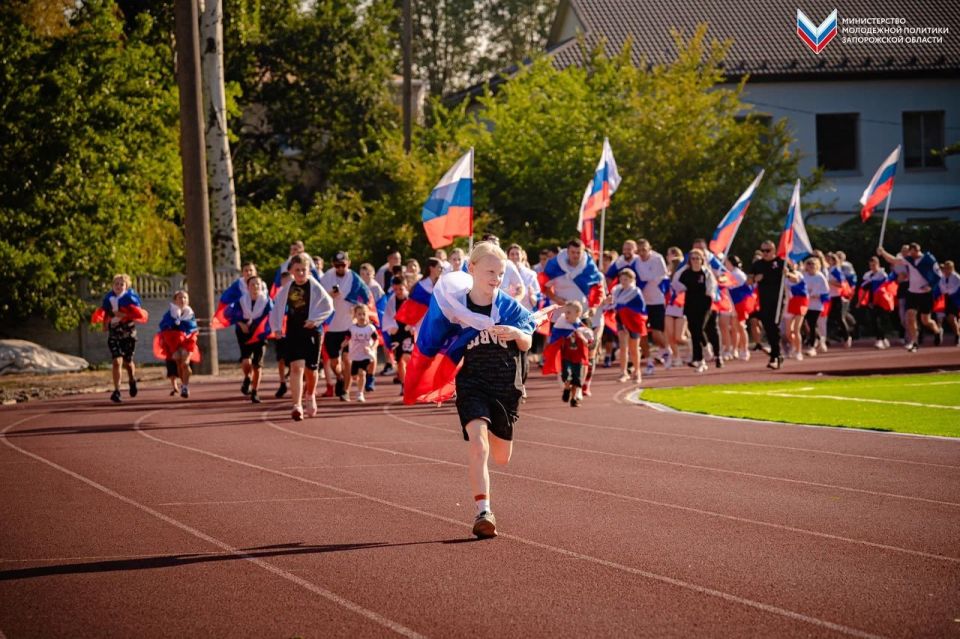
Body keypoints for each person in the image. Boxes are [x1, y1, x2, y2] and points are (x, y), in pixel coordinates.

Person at [403, 242, 537, 539]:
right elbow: (435, 336)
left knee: (501, 457)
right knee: (478, 445)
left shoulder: (507, 305)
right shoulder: (455, 305)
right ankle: (483, 511)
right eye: (490, 271)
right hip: (472, 383)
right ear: (471, 269)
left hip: (504, 386)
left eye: (500, 273)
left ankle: (492, 432)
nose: (496, 278)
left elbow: (528, 339)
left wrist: (516, 333)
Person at [269, 253, 334, 420]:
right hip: (294, 330)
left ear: (308, 270)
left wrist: (315, 320)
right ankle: (296, 405)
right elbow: (276, 308)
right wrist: (276, 327)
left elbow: (329, 306)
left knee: (311, 370)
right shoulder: (287, 288)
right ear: (291, 271)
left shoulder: (314, 286)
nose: (300, 274)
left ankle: (310, 394)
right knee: (296, 367)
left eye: (303, 270)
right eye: (297, 270)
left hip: (312, 331)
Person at [320, 251, 372, 399]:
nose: (340, 268)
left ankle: (345, 391)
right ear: (333, 265)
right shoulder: (326, 278)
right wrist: (330, 295)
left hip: (349, 327)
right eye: (337, 266)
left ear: (348, 263)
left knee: (347, 360)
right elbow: (318, 298)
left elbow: (367, 297)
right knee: (334, 363)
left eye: (343, 265)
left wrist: (357, 307)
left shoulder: (354, 279)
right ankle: (340, 377)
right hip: (331, 327)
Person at [92, 274, 149, 404]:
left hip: (128, 332)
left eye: (121, 284)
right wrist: (105, 324)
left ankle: (132, 380)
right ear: (112, 285)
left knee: (128, 362)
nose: (118, 286)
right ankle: (117, 391)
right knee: (117, 361)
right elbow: (106, 312)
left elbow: (137, 314)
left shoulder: (130, 298)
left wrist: (123, 314)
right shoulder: (108, 298)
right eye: (116, 284)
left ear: (126, 286)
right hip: (114, 332)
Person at [878, 243, 943, 351]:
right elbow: (894, 260)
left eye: (911, 252)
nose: (909, 254)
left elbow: (938, 275)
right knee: (909, 317)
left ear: (916, 250)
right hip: (912, 293)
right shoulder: (909, 260)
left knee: (925, 320)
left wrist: (930, 286)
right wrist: (883, 252)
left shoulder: (928, 259)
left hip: (925, 294)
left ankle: (937, 331)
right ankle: (914, 342)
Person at [673, 249, 718, 372]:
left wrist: (711, 294)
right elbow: (676, 283)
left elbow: (712, 287)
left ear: (702, 259)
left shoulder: (706, 273)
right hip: (690, 304)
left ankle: (705, 347)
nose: (695, 261)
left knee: (700, 328)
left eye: (698, 258)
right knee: (693, 331)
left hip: (704, 304)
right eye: (693, 258)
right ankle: (700, 360)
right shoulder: (686, 273)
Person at [236, 276, 273, 403]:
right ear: (248, 287)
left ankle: (255, 391)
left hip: (260, 334)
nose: (255, 287)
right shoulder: (241, 300)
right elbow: (234, 315)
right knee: (246, 361)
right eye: (252, 284)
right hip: (244, 332)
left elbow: (273, 315)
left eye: (257, 284)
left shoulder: (266, 301)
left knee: (257, 365)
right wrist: (242, 324)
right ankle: (247, 377)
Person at [156, 290, 199, 398]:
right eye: (180, 297)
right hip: (173, 342)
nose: (182, 300)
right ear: (175, 300)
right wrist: (173, 325)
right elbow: (163, 327)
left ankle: (185, 387)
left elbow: (193, 327)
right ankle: (182, 383)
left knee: (185, 363)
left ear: (188, 301)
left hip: (188, 341)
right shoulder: (170, 313)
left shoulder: (190, 313)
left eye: (185, 298)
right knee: (179, 364)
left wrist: (183, 328)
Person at [750, 240, 785, 369]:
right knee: (768, 327)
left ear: (774, 250)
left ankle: (775, 356)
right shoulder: (757, 264)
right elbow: (748, 280)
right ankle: (777, 354)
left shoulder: (781, 263)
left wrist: (789, 274)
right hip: (763, 300)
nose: (765, 253)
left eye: (768, 250)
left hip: (778, 299)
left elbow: (796, 278)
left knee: (774, 326)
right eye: (763, 250)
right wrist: (754, 279)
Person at [607, 268, 645, 384]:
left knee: (634, 349)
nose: (623, 282)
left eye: (626, 279)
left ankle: (637, 371)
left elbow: (642, 309)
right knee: (623, 347)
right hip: (621, 321)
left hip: (633, 322)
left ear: (632, 280)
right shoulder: (616, 291)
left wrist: (627, 310)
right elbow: (612, 305)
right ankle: (623, 372)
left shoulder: (635, 292)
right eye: (622, 279)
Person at [557, 301, 593, 407]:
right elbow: (556, 337)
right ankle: (566, 389)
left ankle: (573, 398)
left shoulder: (582, 328)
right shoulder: (562, 326)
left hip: (578, 358)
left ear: (577, 313)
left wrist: (584, 338)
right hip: (567, 356)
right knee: (567, 376)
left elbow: (590, 340)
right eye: (565, 312)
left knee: (577, 379)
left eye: (568, 312)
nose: (565, 315)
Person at [381, 276, 414, 391]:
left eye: (401, 289)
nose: (398, 292)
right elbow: (387, 317)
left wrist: (413, 325)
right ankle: (404, 386)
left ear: (405, 287)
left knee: (407, 357)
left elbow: (421, 314)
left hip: (409, 333)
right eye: (395, 289)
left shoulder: (411, 299)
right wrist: (391, 327)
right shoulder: (392, 301)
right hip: (396, 333)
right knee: (399, 361)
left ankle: (411, 383)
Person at [343, 305, 378, 402]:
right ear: (355, 316)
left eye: (364, 314)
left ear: (367, 315)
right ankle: (360, 385)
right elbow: (347, 339)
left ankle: (360, 393)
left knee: (362, 373)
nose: (362, 316)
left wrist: (372, 348)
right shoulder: (352, 328)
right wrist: (343, 345)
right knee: (354, 376)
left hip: (365, 354)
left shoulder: (371, 328)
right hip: (355, 355)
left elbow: (376, 340)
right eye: (359, 314)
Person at [861, 256, 896, 349]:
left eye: (874, 265)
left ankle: (880, 339)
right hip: (872, 300)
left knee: (880, 320)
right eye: (870, 265)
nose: (872, 267)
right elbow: (864, 289)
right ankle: (882, 339)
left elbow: (888, 288)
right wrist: (861, 301)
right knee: (873, 320)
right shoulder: (868, 275)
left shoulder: (883, 275)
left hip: (882, 300)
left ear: (878, 264)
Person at [801, 256, 830, 356]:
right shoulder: (804, 276)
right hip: (805, 304)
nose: (810, 266)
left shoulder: (820, 276)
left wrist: (815, 294)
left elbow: (826, 290)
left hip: (816, 305)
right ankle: (819, 338)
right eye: (808, 264)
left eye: (812, 264)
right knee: (806, 324)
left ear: (817, 266)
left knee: (812, 324)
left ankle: (811, 346)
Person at [940, 260, 960, 346]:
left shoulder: (956, 277)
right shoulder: (943, 277)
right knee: (949, 319)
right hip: (948, 299)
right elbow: (942, 288)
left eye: (949, 268)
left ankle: (957, 336)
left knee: (952, 318)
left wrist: (947, 290)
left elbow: (955, 289)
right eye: (945, 268)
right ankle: (957, 332)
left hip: (957, 299)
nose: (947, 270)